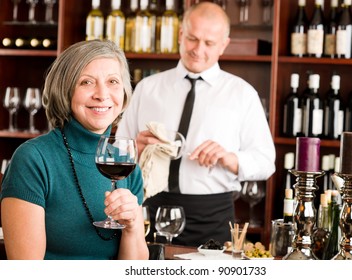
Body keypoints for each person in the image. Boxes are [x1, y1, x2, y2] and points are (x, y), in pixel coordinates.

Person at [116, 2, 276, 246]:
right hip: (148, 209)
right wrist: (134, 149)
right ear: (181, 34)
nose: (198, 49)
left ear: (223, 45)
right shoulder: (147, 89)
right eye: (192, 38)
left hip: (212, 216)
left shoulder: (242, 94)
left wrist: (229, 158)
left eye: (209, 43)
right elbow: (117, 152)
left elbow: (266, 162)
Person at [0, 40, 148, 260]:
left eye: (113, 81)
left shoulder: (127, 165)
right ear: (65, 90)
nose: (102, 94)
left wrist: (133, 225)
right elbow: (25, 270)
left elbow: (132, 271)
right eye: (87, 82)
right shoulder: (33, 159)